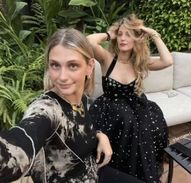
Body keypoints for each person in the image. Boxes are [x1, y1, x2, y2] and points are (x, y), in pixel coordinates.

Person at [0, 28, 113, 183]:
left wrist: (100, 135)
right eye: (55, 65)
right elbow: (19, 146)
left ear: (90, 66)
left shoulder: (85, 101)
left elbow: (81, 127)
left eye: (72, 65)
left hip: (95, 174)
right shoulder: (47, 109)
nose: (62, 77)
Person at [87, 14, 173, 183]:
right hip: (110, 110)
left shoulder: (138, 62)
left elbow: (167, 61)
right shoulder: (107, 59)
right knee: (126, 122)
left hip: (136, 107)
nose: (123, 38)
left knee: (146, 126)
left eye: (128, 34)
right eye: (120, 34)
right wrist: (110, 34)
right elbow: (89, 41)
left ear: (136, 39)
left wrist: (153, 34)